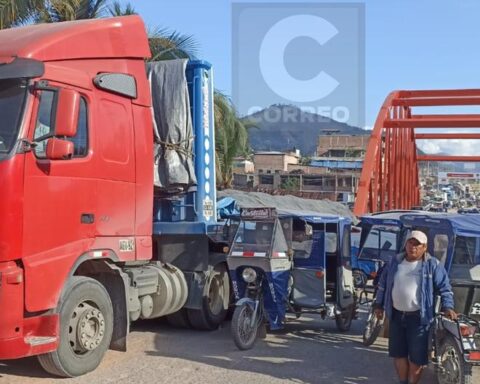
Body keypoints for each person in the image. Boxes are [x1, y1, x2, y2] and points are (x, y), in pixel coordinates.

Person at [373, 230, 457, 384]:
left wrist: (448, 306)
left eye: (417, 244)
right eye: (410, 243)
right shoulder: (394, 262)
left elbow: (445, 288)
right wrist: (378, 305)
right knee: (398, 354)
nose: (412, 247)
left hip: (419, 319)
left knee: (417, 359)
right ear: (405, 244)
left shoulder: (432, 265)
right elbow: (383, 286)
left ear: (424, 248)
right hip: (396, 316)